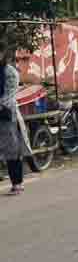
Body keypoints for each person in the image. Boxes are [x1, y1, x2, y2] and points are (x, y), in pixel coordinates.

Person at [1, 46, 32, 194]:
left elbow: (8, 96)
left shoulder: (9, 72)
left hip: (8, 114)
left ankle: (17, 182)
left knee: (12, 150)